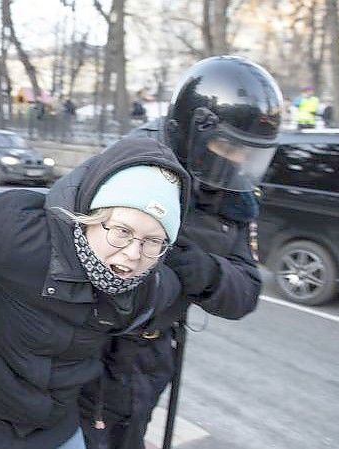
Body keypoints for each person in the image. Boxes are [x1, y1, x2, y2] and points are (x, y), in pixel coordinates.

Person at [0, 136, 192, 449]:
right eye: (122, 232)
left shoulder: (146, 288)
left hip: (54, 424)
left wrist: (210, 273)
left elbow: (183, 291)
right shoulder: (16, 237)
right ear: (91, 216)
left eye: (152, 241)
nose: (132, 254)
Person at [80, 55, 282, 449]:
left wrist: (209, 274)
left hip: (152, 356)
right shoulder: (131, 168)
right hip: (96, 350)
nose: (238, 160)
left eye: (247, 152)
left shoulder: (233, 198)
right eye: (228, 146)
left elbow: (247, 289)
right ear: (193, 130)